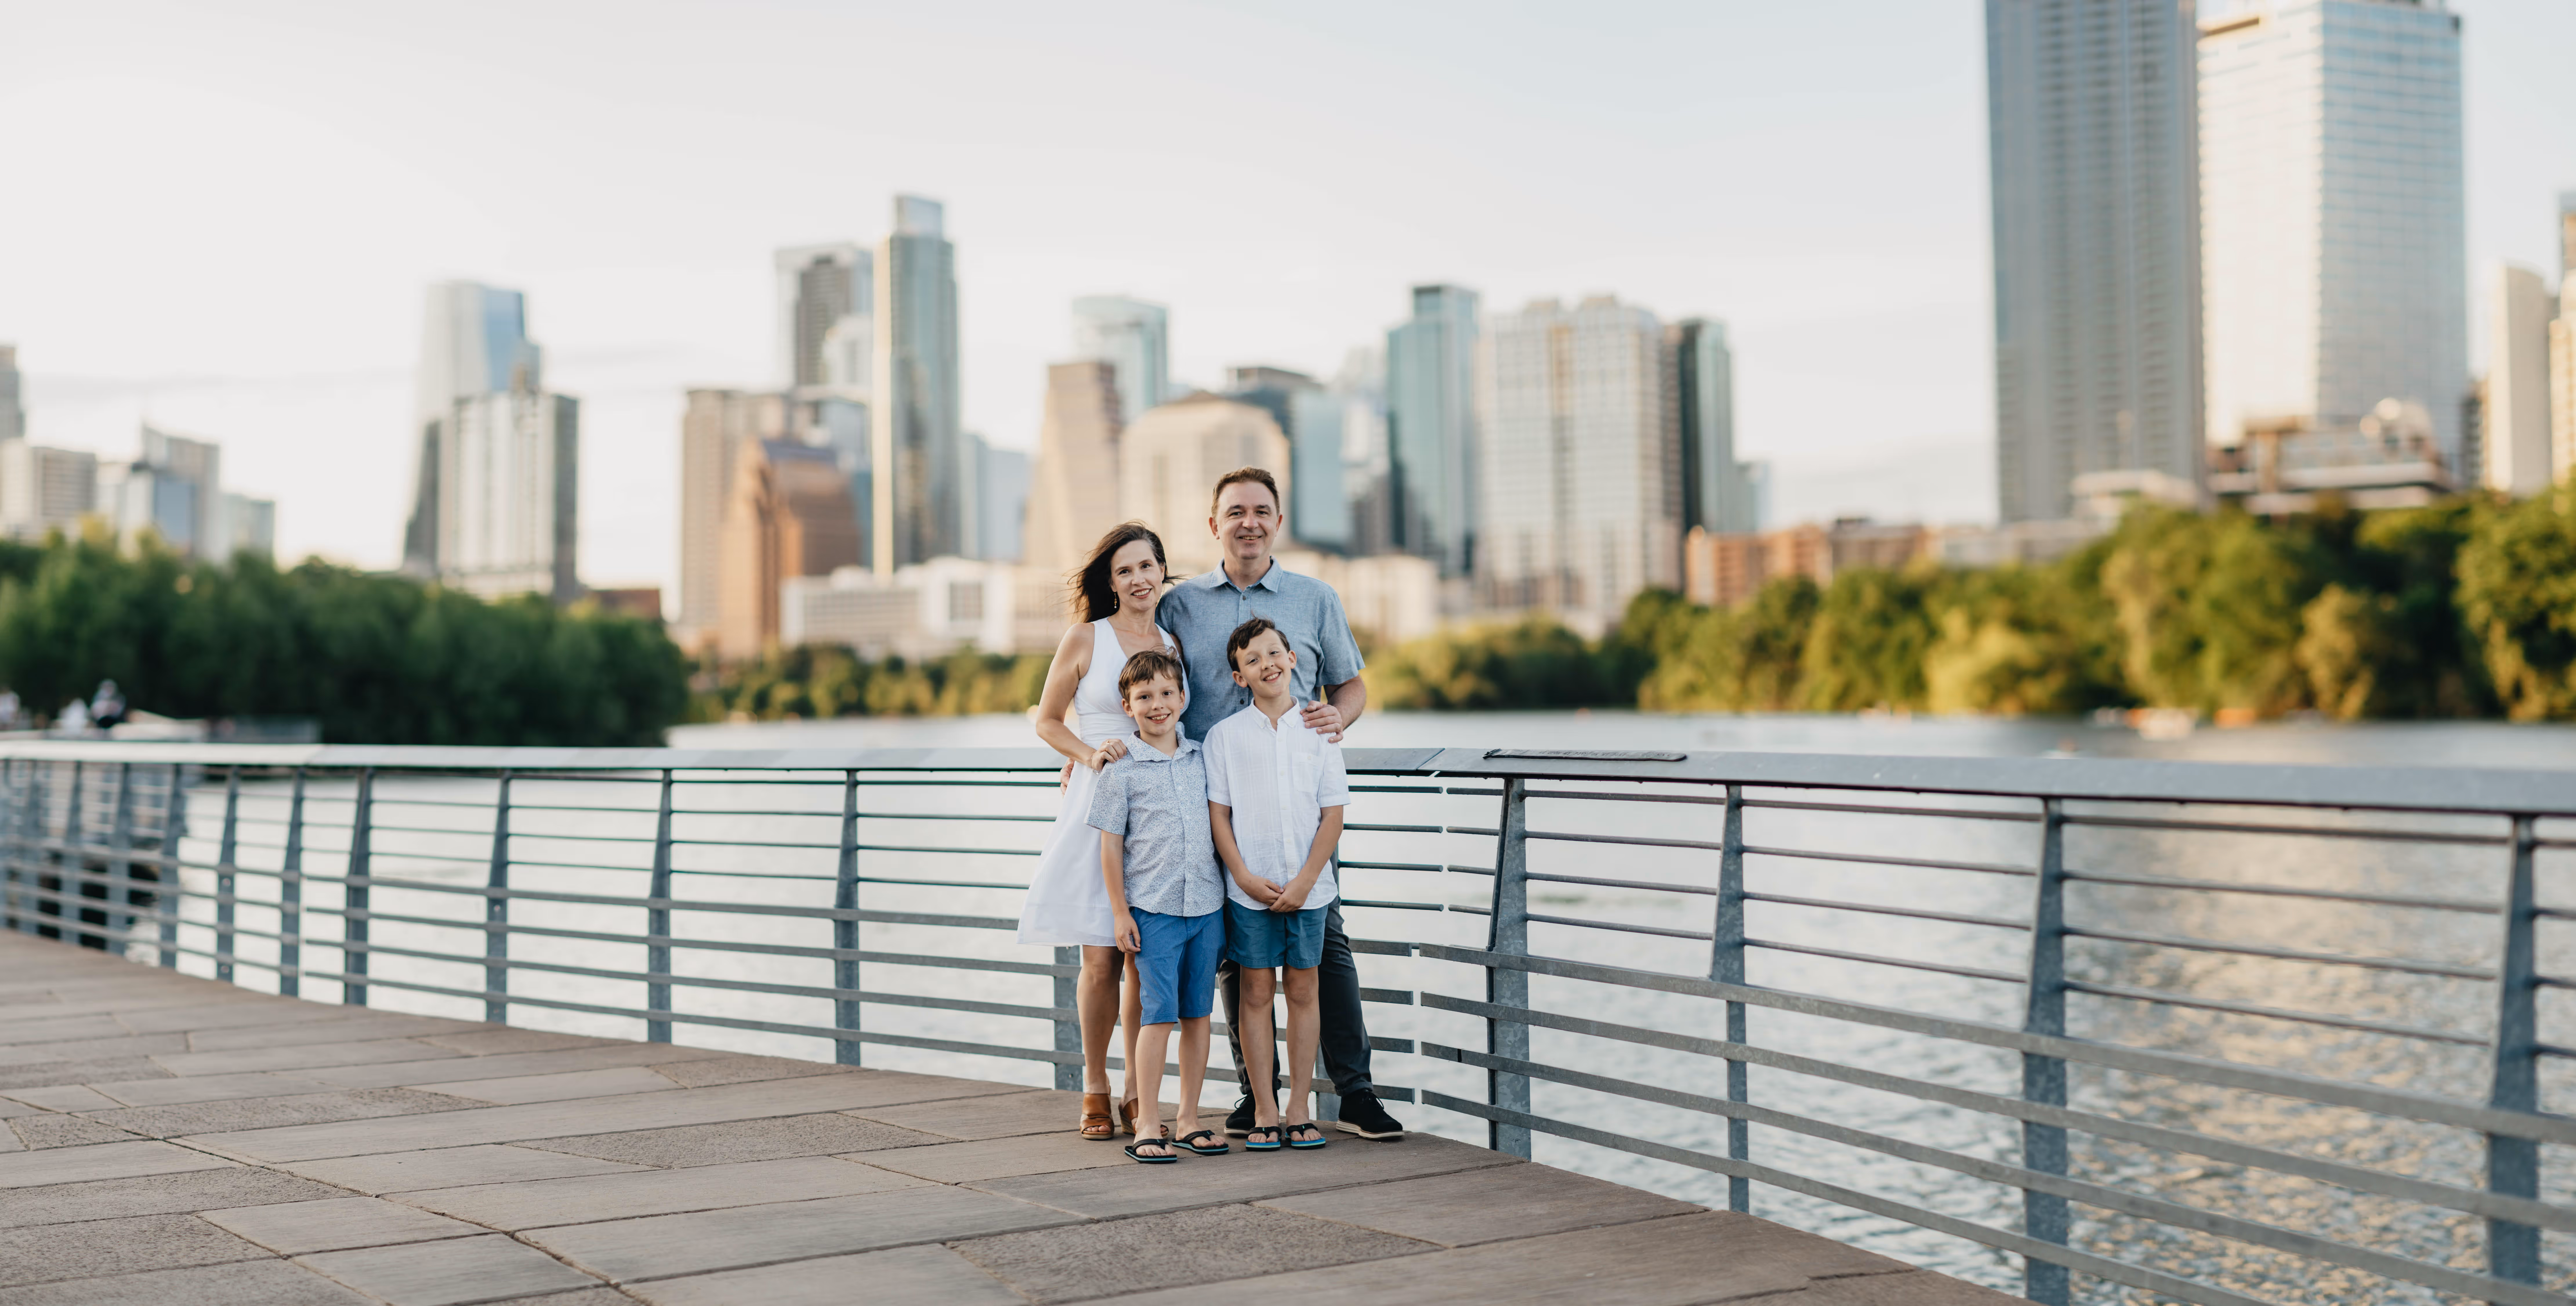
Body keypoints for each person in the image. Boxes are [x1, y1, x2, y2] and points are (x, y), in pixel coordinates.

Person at [1155, 466, 1405, 1141]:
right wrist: (1086, 754)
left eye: (1261, 510)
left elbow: (1351, 687)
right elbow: (1147, 686)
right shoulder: (1179, 608)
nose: (1249, 522)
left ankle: (1353, 1092)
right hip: (1217, 803)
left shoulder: (1314, 597)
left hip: (1299, 803)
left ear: (1278, 522)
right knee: (1240, 955)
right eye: (1235, 511)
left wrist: (1335, 722)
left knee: (1327, 946)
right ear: (1214, 525)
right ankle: (1254, 1096)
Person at [1016, 522, 1187, 1141]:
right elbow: (1045, 719)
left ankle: (1141, 1094)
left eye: (1147, 566)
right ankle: (1095, 1086)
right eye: (1124, 571)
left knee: (1146, 956)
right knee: (1099, 957)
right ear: (1109, 582)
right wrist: (1087, 756)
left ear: (1162, 571)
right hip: (1099, 802)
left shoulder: (1174, 638)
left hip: (1160, 814)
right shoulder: (1085, 637)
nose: (1138, 579)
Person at [1206, 617, 1348, 1151]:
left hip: (1309, 888)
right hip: (1251, 889)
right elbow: (1219, 816)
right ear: (1239, 676)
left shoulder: (1318, 731)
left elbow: (1332, 814)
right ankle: (1264, 1103)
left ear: (1292, 659)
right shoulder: (1224, 737)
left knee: (1306, 989)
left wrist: (1308, 878)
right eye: (1252, 659)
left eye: (1274, 653)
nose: (1266, 664)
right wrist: (1241, 874)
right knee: (1257, 991)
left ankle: (1298, 1106)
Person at [1088, 649, 1229, 1164]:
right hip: (1153, 910)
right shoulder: (1121, 769)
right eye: (1144, 696)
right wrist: (1121, 912)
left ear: (1183, 698)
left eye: (1167, 693)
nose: (1157, 704)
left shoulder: (1202, 757)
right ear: (1128, 706)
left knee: (1198, 1015)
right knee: (1158, 1015)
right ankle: (1148, 1119)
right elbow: (1109, 846)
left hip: (1207, 907)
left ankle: (1190, 1118)